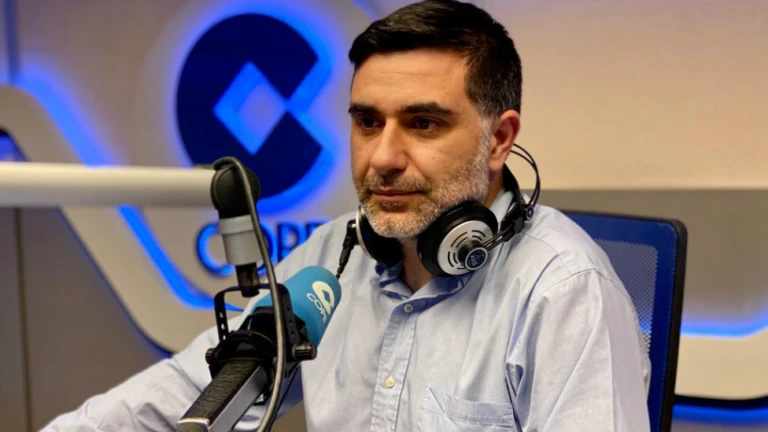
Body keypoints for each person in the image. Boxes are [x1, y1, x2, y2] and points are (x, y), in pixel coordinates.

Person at [44, 1, 650, 431]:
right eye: (367, 122)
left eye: (423, 123)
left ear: (499, 138)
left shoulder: (565, 292)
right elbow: (189, 393)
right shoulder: (335, 258)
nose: (382, 157)